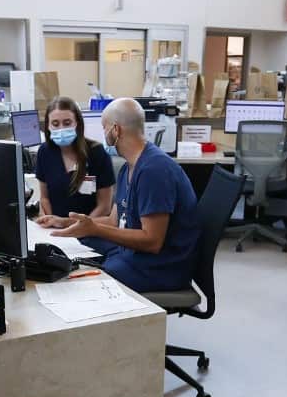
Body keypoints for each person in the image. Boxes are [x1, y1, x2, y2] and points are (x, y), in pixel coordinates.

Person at [49, 98, 200, 293]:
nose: (104, 134)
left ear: (116, 130)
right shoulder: (128, 167)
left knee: (87, 283)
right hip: (138, 256)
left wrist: (94, 229)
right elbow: (114, 221)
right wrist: (65, 222)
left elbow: (152, 241)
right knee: (82, 243)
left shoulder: (154, 170)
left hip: (162, 267)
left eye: (104, 128)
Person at [33, 96, 115, 225]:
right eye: (55, 124)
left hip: (91, 230)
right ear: (47, 126)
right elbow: (44, 198)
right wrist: (48, 220)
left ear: (77, 123)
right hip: (55, 230)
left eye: (67, 123)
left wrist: (74, 225)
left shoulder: (96, 153)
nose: (61, 128)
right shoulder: (45, 152)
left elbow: (104, 206)